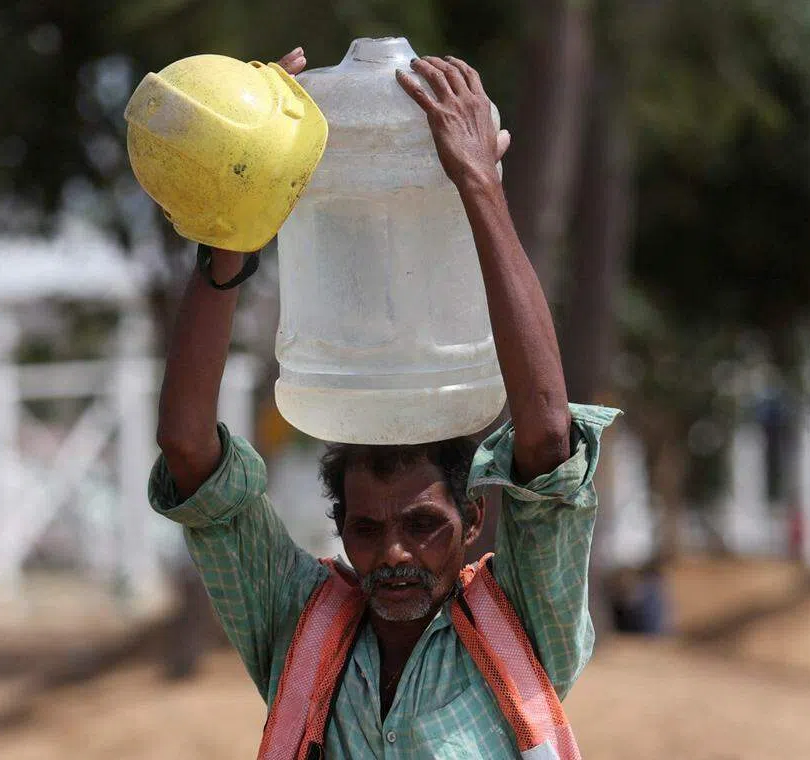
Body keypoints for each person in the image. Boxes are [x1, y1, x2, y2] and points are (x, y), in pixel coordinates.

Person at [149, 46, 619, 759]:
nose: (394, 552)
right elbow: (189, 452)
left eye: (424, 523)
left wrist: (479, 187)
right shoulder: (295, 627)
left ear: (473, 521)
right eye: (366, 528)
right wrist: (231, 232)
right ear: (339, 533)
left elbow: (548, 438)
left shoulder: (523, 629)